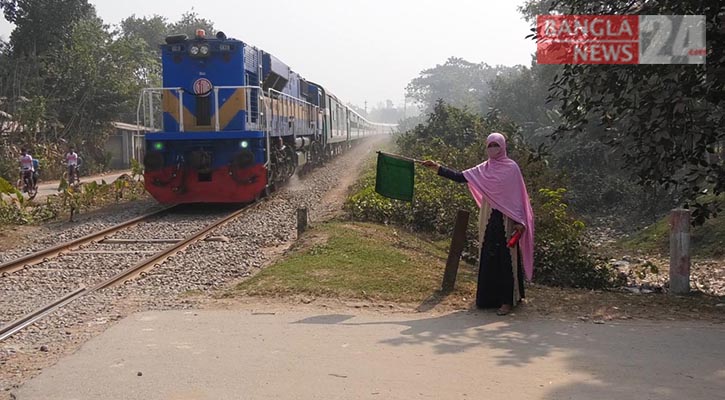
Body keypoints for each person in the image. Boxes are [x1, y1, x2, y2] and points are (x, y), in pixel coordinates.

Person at [422, 133, 535, 316]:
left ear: (503, 146)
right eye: (489, 145)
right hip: (489, 217)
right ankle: (487, 299)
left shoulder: (512, 168)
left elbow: (518, 199)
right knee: (488, 255)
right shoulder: (484, 169)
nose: (492, 149)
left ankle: (507, 301)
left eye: (495, 145)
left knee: (505, 258)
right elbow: (460, 177)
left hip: (507, 220)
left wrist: (520, 222)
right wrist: (437, 168)